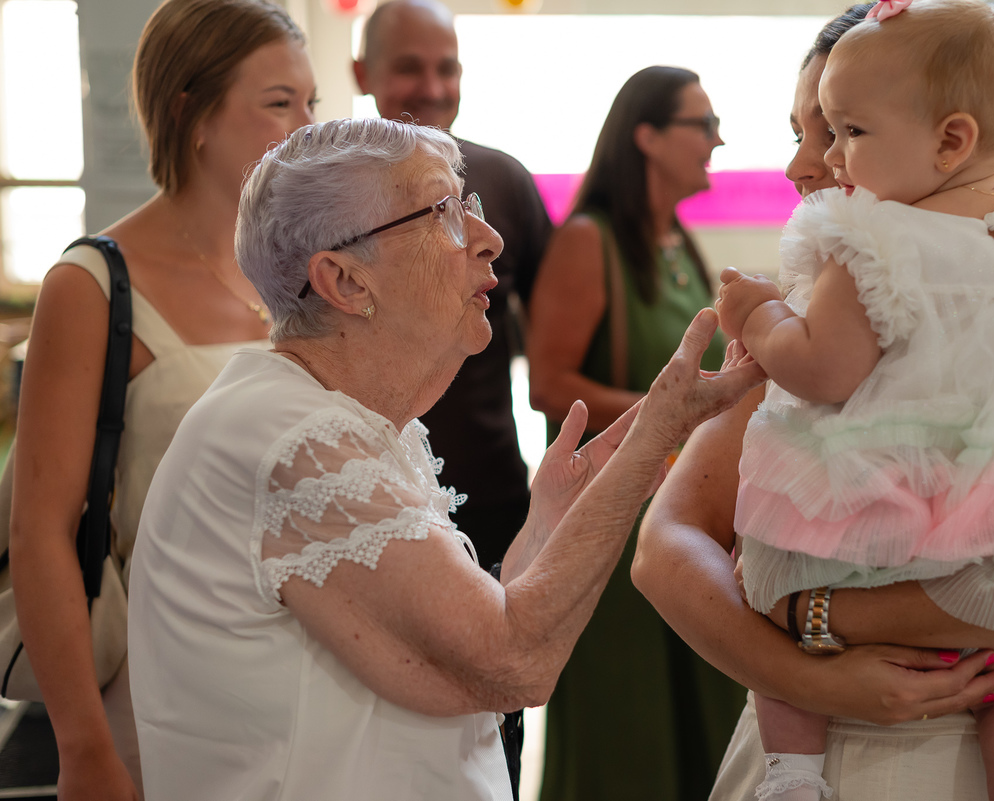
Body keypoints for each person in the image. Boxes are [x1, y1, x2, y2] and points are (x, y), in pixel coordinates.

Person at [631, 5, 994, 801]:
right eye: (805, 129)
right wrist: (816, 674)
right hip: (866, 749)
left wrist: (817, 615)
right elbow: (666, 548)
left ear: (960, 140)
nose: (807, 162)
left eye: (834, 131)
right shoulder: (832, 297)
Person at [124, 117, 763, 801]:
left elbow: (458, 658)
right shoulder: (295, 440)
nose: (489, 239)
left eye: (470, 206)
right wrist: (649, 444)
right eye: (443, 213)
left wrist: (548, 518)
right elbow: (512, 661)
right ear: (344, 279)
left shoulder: (356, 421)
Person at [7, 1, 315, 798]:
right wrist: (81, 744)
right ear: (192, 114)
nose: (305, 127)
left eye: (310, 102)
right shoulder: (93, 284)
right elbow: (41, 530)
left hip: (311, 677)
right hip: (159, 690)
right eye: (280, 103)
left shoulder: (305, 271)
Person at [525, 65, 741, 801]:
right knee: (630, 732)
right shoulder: (588, 242)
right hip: (614, 526)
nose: (717, 140)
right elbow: (547, 382)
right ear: (647, 136)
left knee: (703, 720)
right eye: (703, 125)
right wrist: (669, 421)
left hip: (685, 516)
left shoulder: (679, 243)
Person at [353, 0, 551, 572]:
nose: (434, 87)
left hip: (492, 493)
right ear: (362, 75)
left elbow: (554, 341)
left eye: (449, 68)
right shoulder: (325, 197)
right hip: (363, 490)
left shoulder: (505, 181)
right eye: (410, 67)